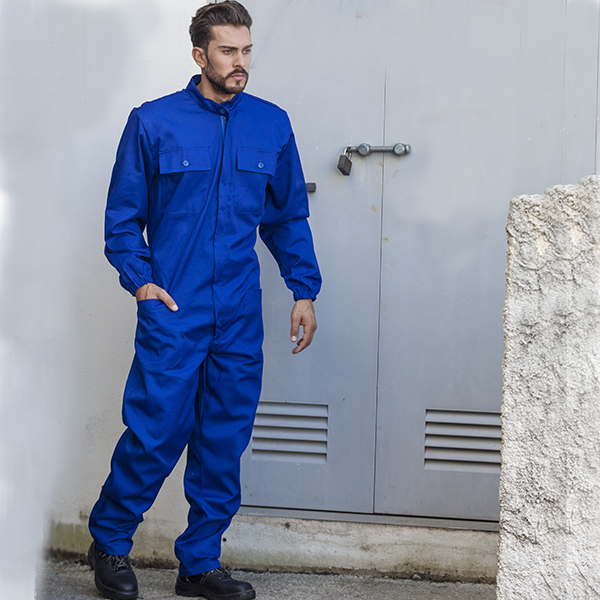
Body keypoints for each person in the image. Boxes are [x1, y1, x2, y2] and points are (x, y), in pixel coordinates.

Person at [86, 2, 321, 599]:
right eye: (228, 51)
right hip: (174, 307)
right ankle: (109, 542)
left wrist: (303, 289)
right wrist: (141, 281)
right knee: (154, 432)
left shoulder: (271, 124)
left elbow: (287, 217)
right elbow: (122, 220)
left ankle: (199, 563)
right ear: (199, 55)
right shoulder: (153, 122)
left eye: (247, 50)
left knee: (223, 438)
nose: (241, 62)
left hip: (237, 313)